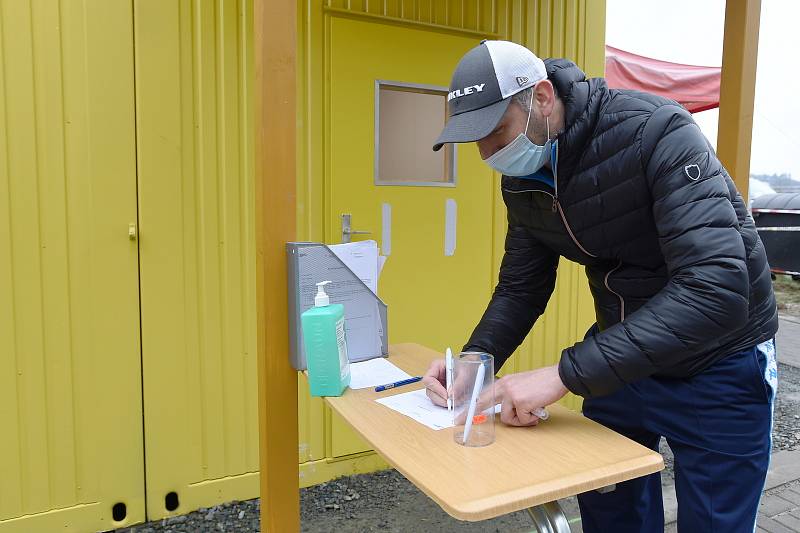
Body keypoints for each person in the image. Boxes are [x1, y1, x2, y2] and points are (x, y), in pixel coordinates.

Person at [422, 40, 779, 532]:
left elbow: (715, 288)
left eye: (495, 132)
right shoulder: (524, 174)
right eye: (475, 141)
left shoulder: (656, 131)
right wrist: (476, 361)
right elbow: (521, 286)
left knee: (716, 521)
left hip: (717, 361)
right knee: (610, 512)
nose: (488, 153)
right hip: (621, 358)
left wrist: (561, 376)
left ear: (542, 97)